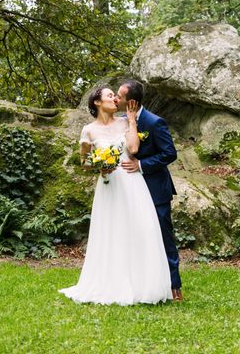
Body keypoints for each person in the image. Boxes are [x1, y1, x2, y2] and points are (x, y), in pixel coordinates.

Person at [59, 86, 173, 305]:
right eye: (110, 95)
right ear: (97, 103)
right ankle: (110, 281)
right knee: (112, 231)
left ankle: (143, 284)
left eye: (115, 95)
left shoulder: (124, 122)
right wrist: (99, 165)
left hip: (131, 182)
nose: (115, 99)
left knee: (142, 228)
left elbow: (133, 148)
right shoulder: (88, 130)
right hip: (109, 186)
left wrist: (131, 121)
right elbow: (84, 162)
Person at [116, 80, 183, 301]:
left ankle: (174, 286)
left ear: (131, 102)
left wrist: (141, 165)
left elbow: (169, 153)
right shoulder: (121, 123)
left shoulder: (154, 122)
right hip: (131, 191)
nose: (116, 99)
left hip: (155, 190)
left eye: (120, 96)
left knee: (164, 238)